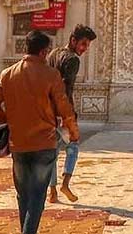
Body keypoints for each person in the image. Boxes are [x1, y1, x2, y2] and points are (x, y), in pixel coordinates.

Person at [0, 30, 78, 234]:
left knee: (24, 195)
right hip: (44, 143)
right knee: (38, 195)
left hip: (18, 143)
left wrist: (6, 120)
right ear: (44, 51)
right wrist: (73, 131)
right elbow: (64, 109)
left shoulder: (8, 73)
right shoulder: (51, 75)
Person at [47, 24, 96, 204]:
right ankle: (65, 184)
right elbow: (64, 89)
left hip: (48, 110)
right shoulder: (72, 60)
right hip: (63, 111)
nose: (84, 49)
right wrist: (66, 116)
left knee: (52, 151)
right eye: (83, 44)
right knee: (73, 146)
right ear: (73, 40)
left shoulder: (53, 54)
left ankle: (52, 192)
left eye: (87, 45)